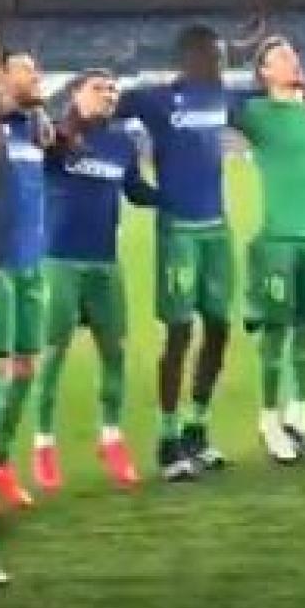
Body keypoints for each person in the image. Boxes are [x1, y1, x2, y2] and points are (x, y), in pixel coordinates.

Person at [112, 25, 241, 482]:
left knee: (221, 326)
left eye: (222, 55)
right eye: (213, 54)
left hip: (217, 230)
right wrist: (135, 181)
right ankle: (168, 439)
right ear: (190, 57)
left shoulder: (224, 99)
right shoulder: (157, 100)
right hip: (179, 231)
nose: (221, 62)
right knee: (181, 331)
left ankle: (197, 427)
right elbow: (110, 112)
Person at [33, 70, 157, 488]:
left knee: (114, 351)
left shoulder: (122, 142)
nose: (107, 95)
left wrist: (176, 196)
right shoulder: (57, 138)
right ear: (75, 94)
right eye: (98, 88)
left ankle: (111, 437)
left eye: (112, 90)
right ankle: (43, 444)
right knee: (52, 354)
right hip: (60, 261)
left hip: (105, 262)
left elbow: (135, 190)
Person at [234, 36, 305, 463]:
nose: (294, 63)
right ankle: (268, 418)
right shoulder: (256, 113)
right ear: (263, 73)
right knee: (276, 333)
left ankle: (299, 413)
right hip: (277, 240)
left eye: (295, 56)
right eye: (281, 59)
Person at [0, 51, 52, 505]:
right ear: (2, 77)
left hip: (32, 266)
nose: (37, 75)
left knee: (26, 369)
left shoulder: (35, 128)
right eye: (27, 68)